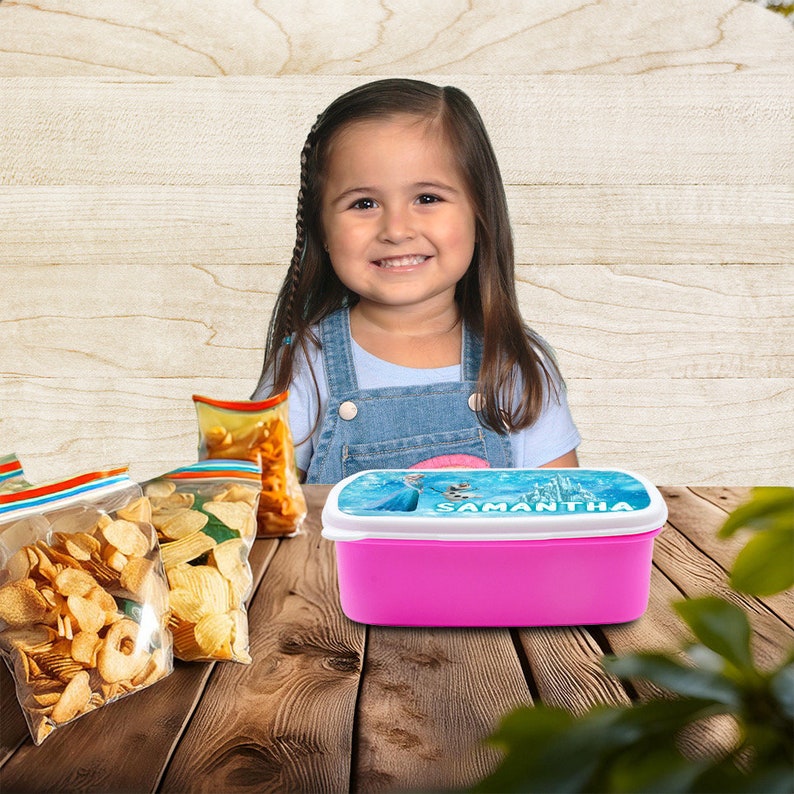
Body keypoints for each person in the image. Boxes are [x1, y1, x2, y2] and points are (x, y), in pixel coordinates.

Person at [252, 78, 580, 483]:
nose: (396, 229)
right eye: (364, 203)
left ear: (480, 213)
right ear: (322, 230)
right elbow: (256, 511)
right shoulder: (305, 363)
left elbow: (561, 511)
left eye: (427, 198)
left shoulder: (515, 362)